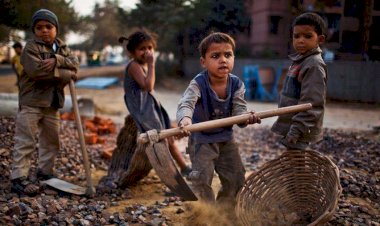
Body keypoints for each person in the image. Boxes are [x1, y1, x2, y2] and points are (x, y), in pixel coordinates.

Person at [176, 32, 260, 204]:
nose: (223, 60)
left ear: (233, 57)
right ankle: (207, 214)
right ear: (203, 62)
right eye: (215, 56)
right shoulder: (198, 83)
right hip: (201, 141)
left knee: (236, 177)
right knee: (201, 179)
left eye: (227, 55)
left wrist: (245, 118)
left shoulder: (237, 84)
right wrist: (185, 119)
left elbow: (239, 110)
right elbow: (186, 103)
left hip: (226, 140)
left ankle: (225, 211)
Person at [11, 9, 79, 196]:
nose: (44, 31)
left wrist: (57, 59)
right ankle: (18, 178)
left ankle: (45, 172)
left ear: (56, 29)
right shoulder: (31, 48)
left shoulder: (63, 48)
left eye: (49, 27)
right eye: (39, 28)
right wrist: (68, 73)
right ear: (34, 31)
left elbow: (75, 63)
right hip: (32, 102)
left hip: (52, 102)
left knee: (51, 140)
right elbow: (37, 72)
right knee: (26, 140)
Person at [119, 29, 191, 176]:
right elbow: (148, 86)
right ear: (132, 53)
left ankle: (183, 167)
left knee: (168, 137)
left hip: (151, 107)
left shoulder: (144, 64)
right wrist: (152, 65)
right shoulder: (134, 66)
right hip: (143, 110)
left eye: (149, 48)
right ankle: (171, 174)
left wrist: (150, 66)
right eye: (142, 49)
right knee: (160, 141)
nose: (147, 52)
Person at [271, 12, 328, 151]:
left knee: (298, 165)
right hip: (292, 125)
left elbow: (312, 103)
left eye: (308, 36)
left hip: (301, 129)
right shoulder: (300, 61)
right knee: (293, 164)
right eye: (296, 36)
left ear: (320, 39)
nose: (301, 40)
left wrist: (296, 129)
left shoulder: (313, 64)